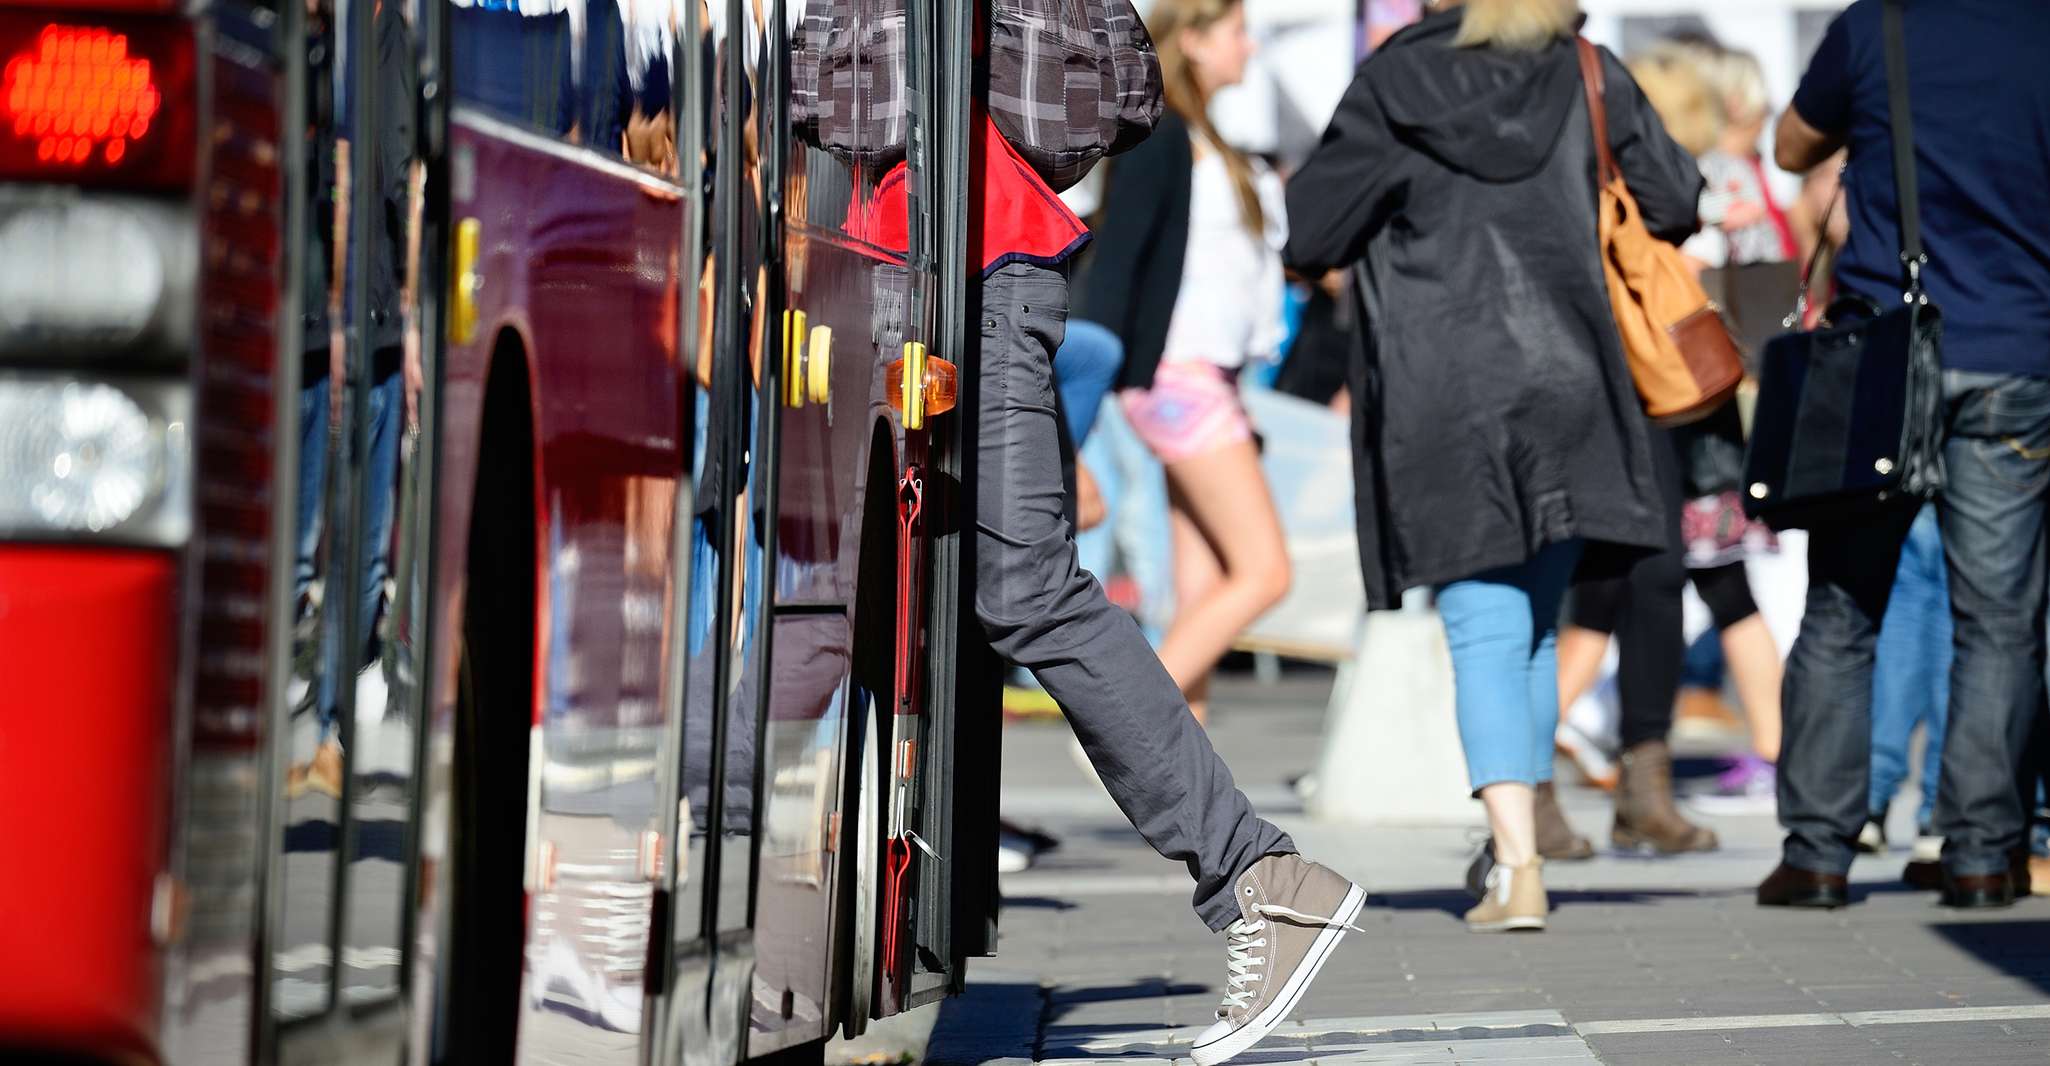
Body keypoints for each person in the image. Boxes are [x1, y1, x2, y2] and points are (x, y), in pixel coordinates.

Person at [821, 5, 1365, 1060]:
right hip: (944, 257)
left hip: (961, 262)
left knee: (1019, 585)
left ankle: (1264, 877)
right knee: (874, 577)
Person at [1285, 0, 1702, 932]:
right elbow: (1677, 198)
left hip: (1446, 384)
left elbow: (1315, 232)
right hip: (1573, 379)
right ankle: (1519, 837)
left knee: (1482, 626)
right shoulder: (1586, 69)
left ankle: (1518, 862)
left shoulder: (1398, 77)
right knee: (1531, 628)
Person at [1761, 0, 2050, 911]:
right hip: (2017, 350)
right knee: (1999, 620)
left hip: (1883, 356)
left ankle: (1816, 856)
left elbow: (1791, 148)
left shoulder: (1875, 26)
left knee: (1843, 611)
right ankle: (1980, 853)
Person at [1081, 0, 1291, 726]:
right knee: (1264, 571)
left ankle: (1193, 797)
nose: (1250, 47)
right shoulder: (1162, 134)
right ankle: (1126, 720)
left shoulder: (1208, 138)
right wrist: (1097, 373)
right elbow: (1120, 255)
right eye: (1236, 32)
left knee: (1204, 593)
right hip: (1181, 375)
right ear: (1194, 41)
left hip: (1209, 375)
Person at [1860, 503, 1949, 888]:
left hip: (1908, 465)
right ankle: (1940, 815)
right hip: (1990, 462)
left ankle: (1871, 805)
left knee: (1903, 608)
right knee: (1964, 622)